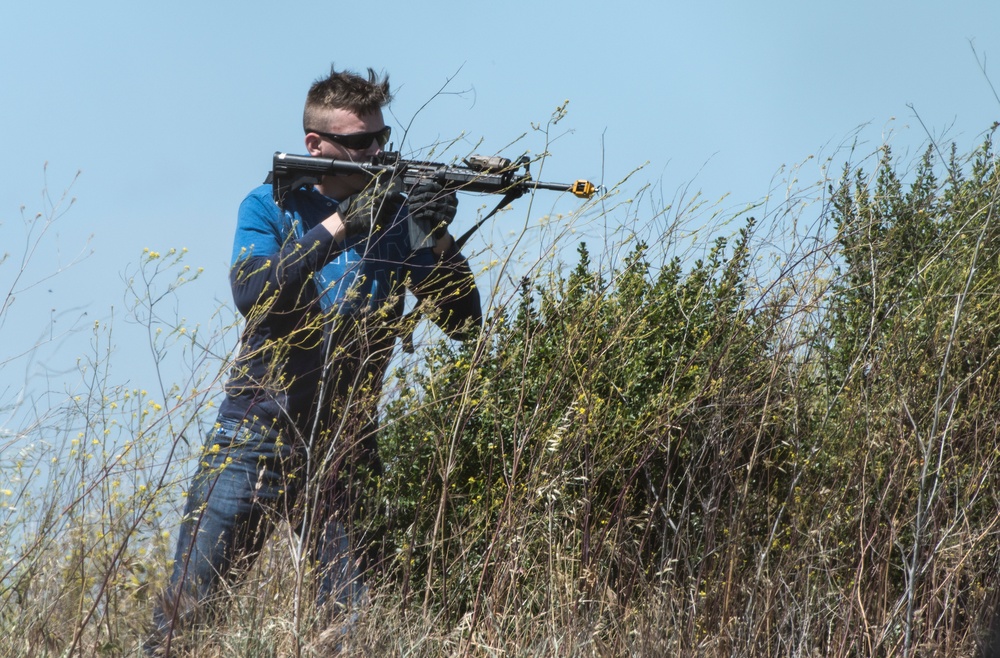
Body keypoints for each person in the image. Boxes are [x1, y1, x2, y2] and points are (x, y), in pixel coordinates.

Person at [150, 66, 482, 649]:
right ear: (316, 145)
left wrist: (435, 234)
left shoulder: (398, 216)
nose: (375, 152)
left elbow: (463, 322)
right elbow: (254, 295)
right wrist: (341, 226)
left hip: (346, 448)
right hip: (255, 438)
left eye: (381, 139)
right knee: (185, 622)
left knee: (354, 632)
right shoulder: (268, 205)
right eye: (359, 143)